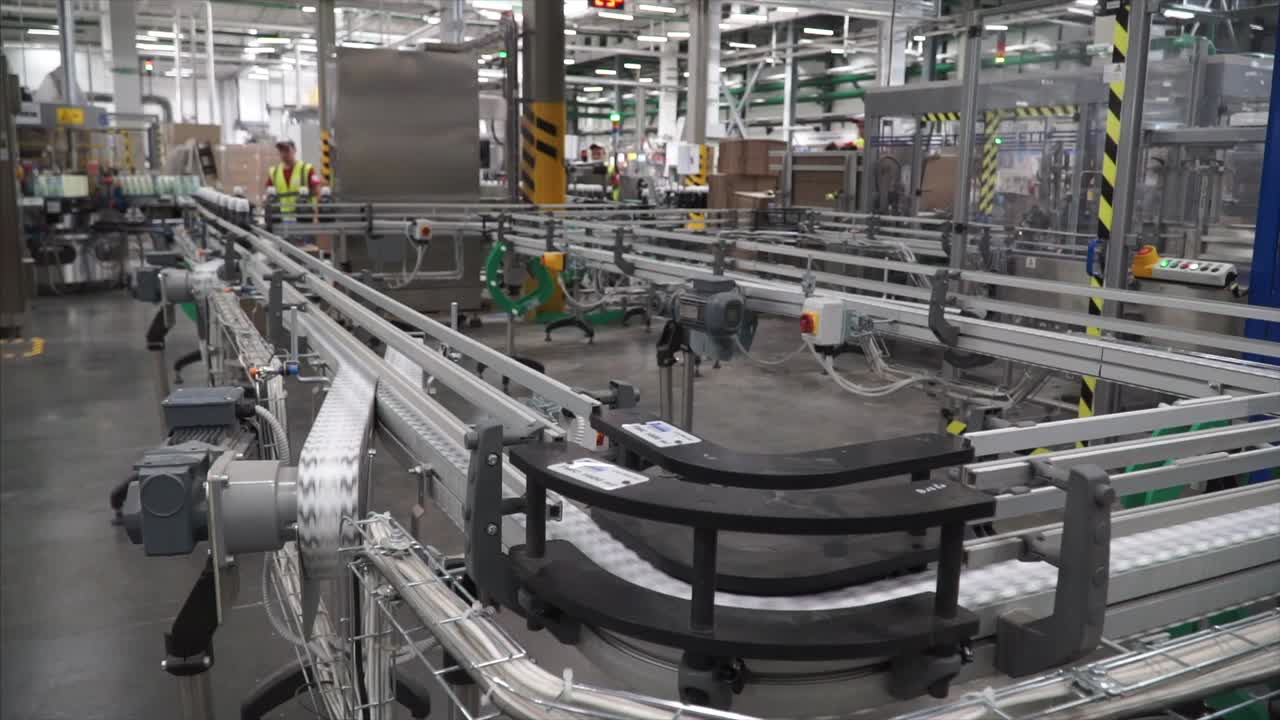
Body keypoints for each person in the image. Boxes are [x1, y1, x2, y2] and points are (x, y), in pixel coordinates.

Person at [265, 139, 326, 214]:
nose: (283, 154)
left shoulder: (307, 169)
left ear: (294, 150)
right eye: (281, 151)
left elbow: (318, 192)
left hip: (303, 218)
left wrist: (317, 215)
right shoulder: (274, 172)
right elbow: (269, 195)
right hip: (280, 218)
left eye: (287, 150)